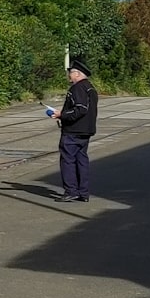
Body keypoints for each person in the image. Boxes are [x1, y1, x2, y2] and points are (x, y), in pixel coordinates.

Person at [52, 59, 99, 202]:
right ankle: (83, 192)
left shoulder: (77, 88)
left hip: (73, 130)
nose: (69, 76)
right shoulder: (90, 88)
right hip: (86, 130)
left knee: (67, 160)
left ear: (77, 74)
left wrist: (62, 115)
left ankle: (71, 190)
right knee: (81, 160)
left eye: (70, 73)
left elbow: (80, 109)